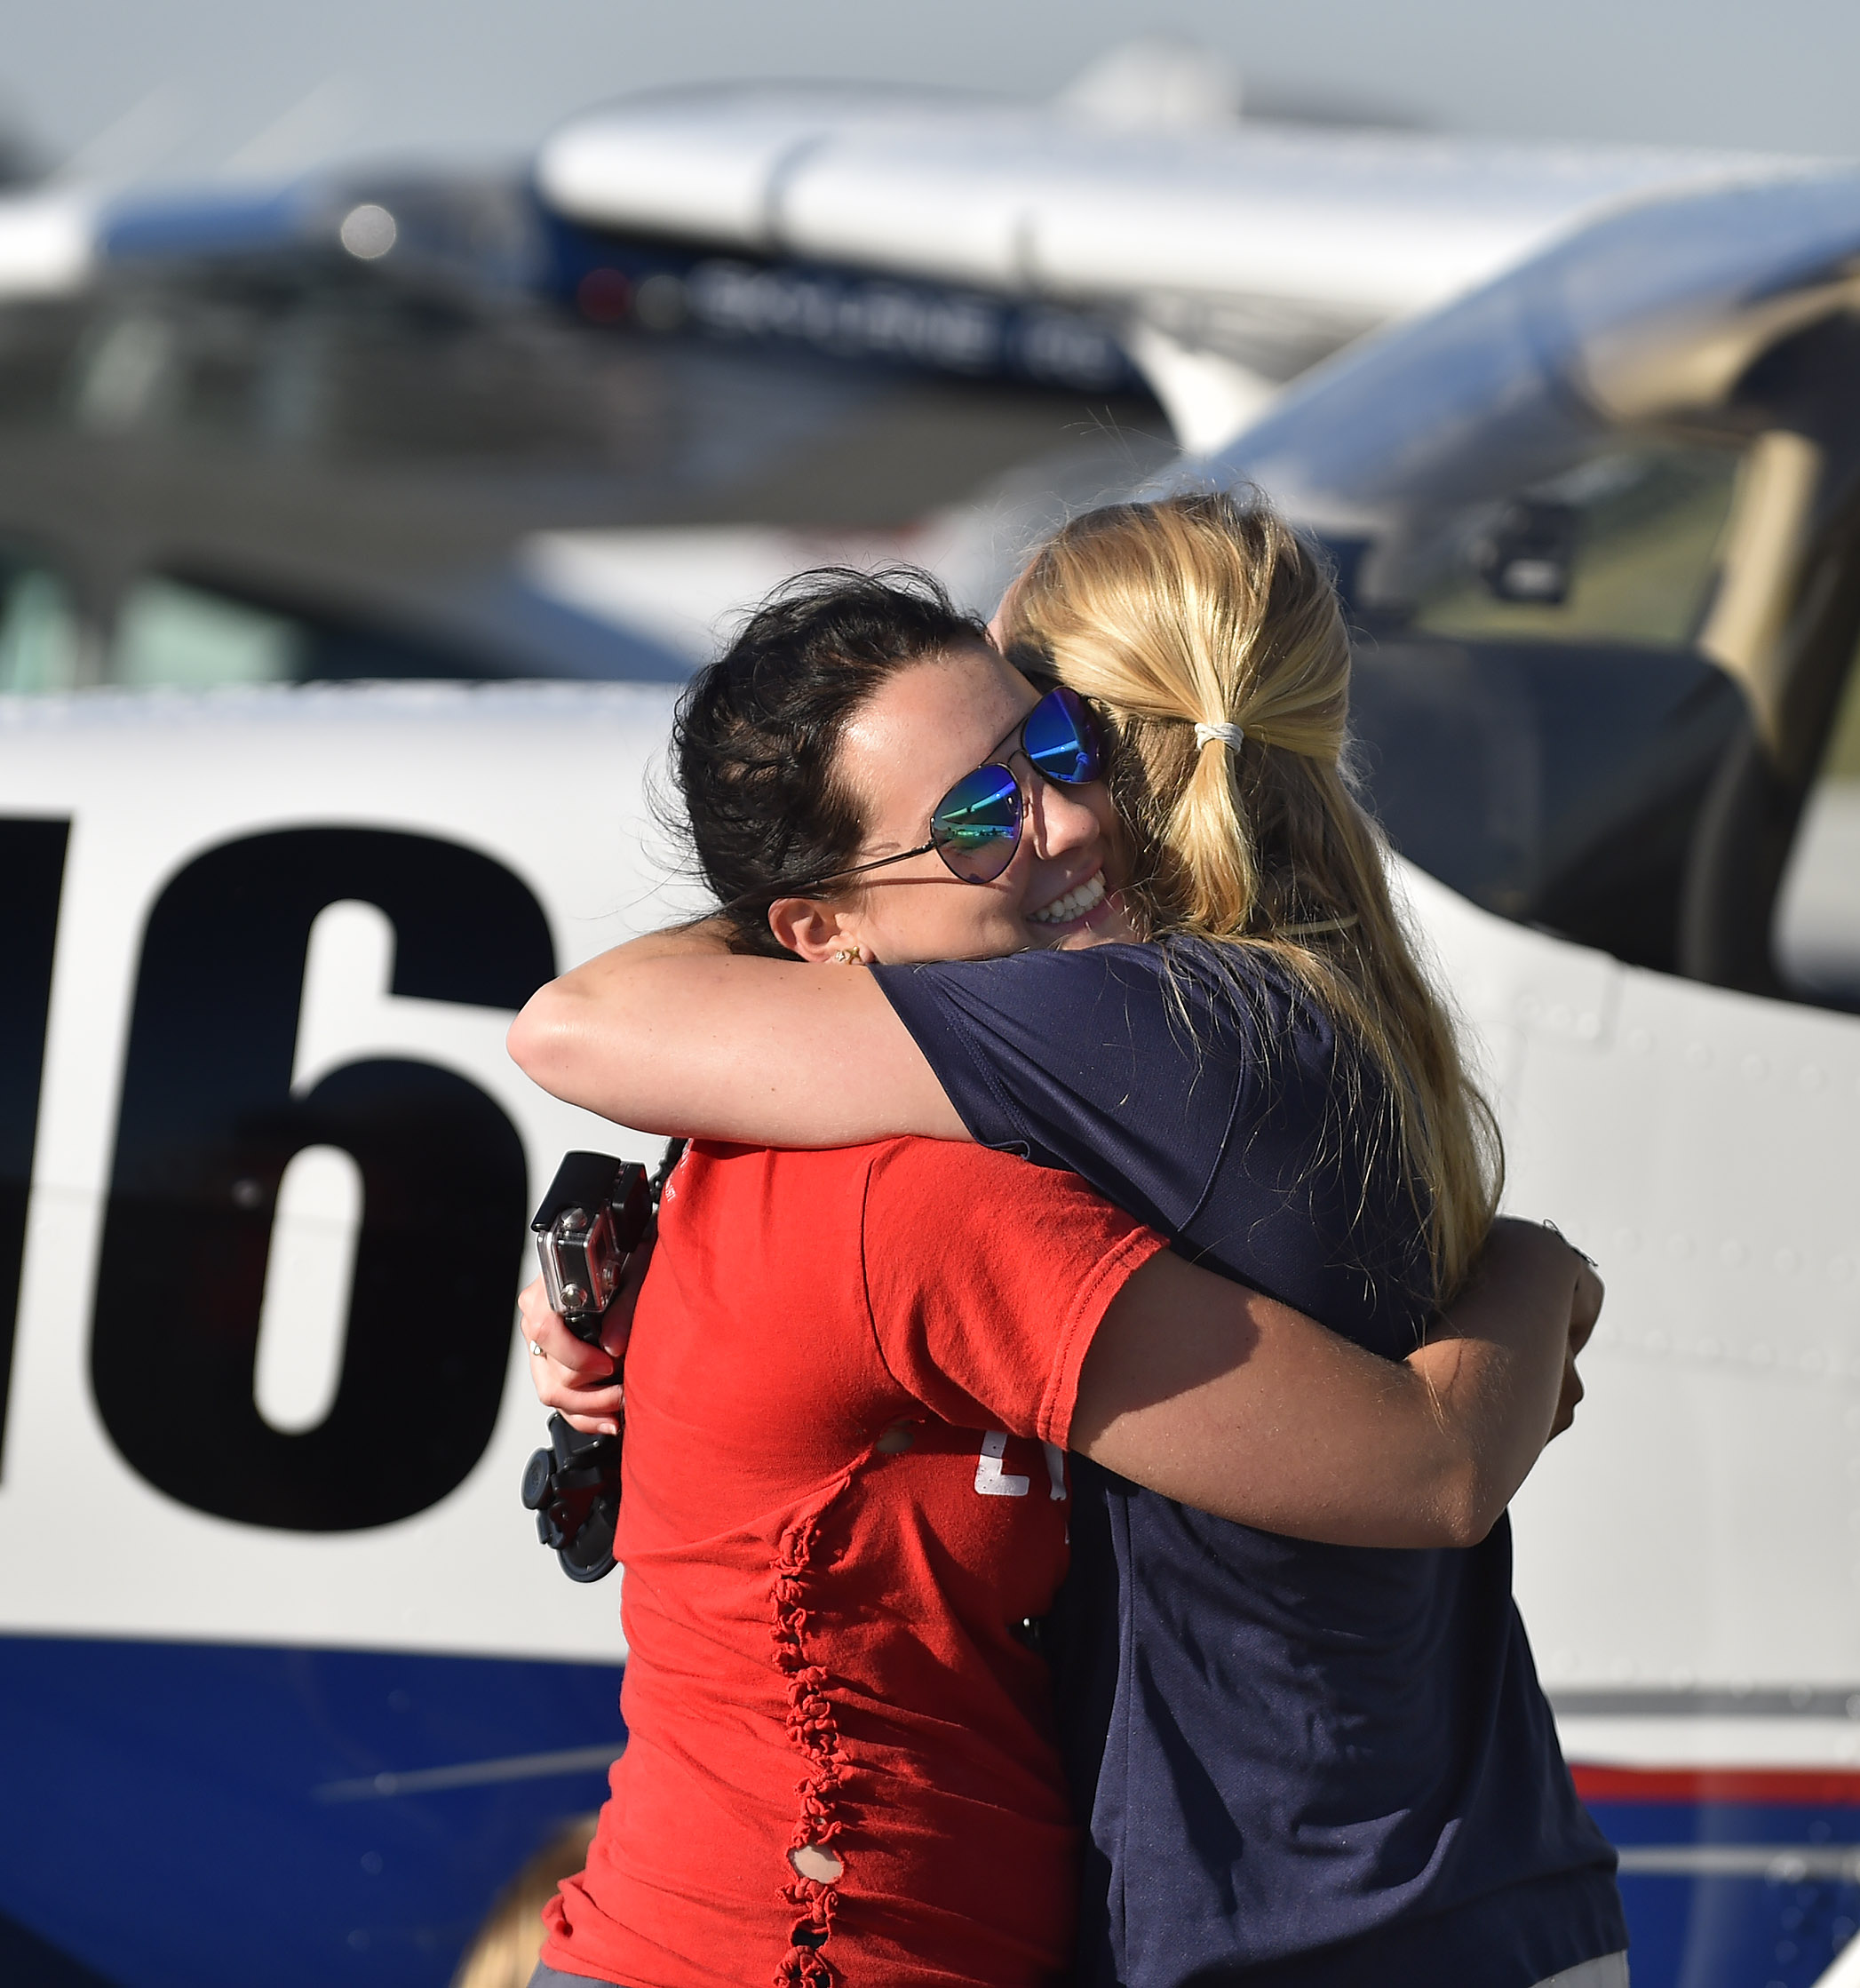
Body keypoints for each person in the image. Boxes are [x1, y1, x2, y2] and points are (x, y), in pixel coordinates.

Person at [514, 497, 1626, 1988]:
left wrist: (1535, 1277)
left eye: (1059, 747)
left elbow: (585, 1020)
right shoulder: (1288, 1016)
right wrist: (1538, 1272)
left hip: (1306, 1932)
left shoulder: (1131, 1046)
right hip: (1434, 1901)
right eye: (980, 816)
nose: (1071, 818)